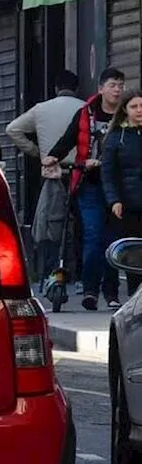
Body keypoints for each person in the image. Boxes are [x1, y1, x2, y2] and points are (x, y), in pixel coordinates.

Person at [46, 67, 127, 311]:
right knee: (93, 236)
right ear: (101, 89)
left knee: (115, 240)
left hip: (120, 187)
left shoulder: (127, 115)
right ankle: (90, 289)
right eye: (113, 85)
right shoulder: (85, 114)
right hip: (89, 184)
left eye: (121, 85)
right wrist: (52, 157)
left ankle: (111, 292)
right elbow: (67, 140)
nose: (117, 90)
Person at [6, 70, 86, 283]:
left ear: (56, 89)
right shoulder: (85, 108)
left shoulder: (41, 109)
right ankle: (80, 275)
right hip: (81, 172)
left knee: (51, 225)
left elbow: (12, 129)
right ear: (76, 88)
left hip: (53, 173)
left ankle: (51, 273)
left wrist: (37, 152)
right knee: (81, 223)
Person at [100, 88, 142, 306]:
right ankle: (132, 298)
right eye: (134, 106)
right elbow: (107, 173)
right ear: (125, 110)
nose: (139, 111)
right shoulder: (117, 138)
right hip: (128, 204)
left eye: (141, 106)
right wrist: (113, 199)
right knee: (132, 252)